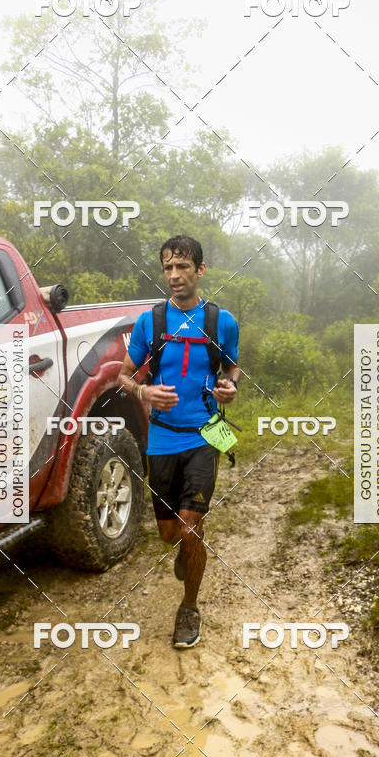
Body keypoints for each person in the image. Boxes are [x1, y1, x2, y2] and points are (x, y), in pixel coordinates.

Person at [117, 235, 240, 649]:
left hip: (205, 435)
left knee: (191, 527)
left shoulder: (220, 321)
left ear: (200, 270)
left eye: (182, 267)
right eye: (168, 268)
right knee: (170, 534)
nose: (174, 276)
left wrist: (229, 387)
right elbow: (124, 375)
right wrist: (143, 394)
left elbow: (233, 367)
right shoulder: (150, 322)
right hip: (162, 440)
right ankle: (184, 553)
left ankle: (189, 609)